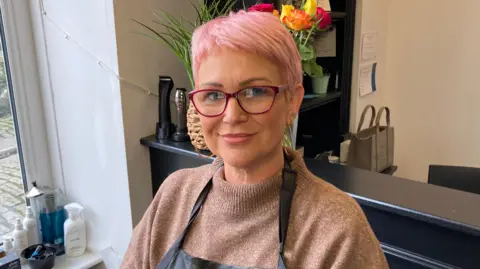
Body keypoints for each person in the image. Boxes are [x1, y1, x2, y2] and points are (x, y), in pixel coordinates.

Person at [121, 10, 389, 269]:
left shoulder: (336, 229)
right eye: (213, 95)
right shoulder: (175, 196)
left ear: (292, 101)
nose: (232, 115)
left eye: (255, 91)